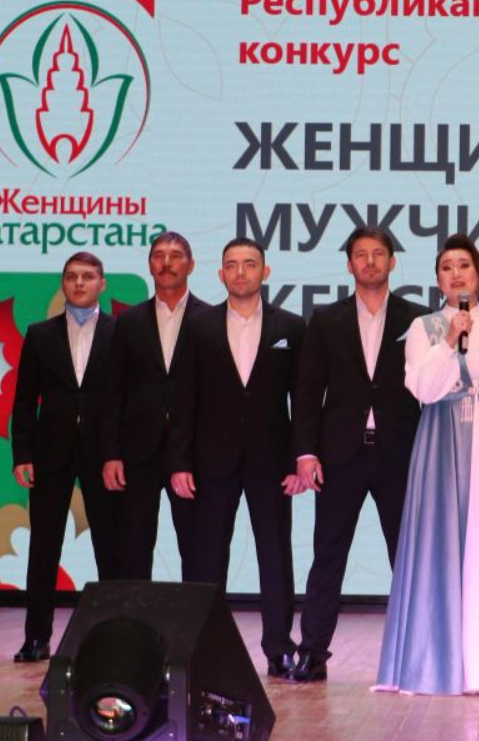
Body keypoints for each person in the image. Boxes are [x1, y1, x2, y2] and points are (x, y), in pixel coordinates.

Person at [374, 233, 479, 694]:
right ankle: (438, 662)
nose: (456, 274)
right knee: (442, 545)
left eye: (464, 266)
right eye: (447, 267)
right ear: (437, 280)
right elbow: (422, 388)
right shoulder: (424, 328)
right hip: (442, 443)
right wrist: (450, 339)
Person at [289, 226, 430, 682]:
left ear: (393, 262)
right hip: (339, 456)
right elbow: (307, 391)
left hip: (400, 454)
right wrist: (306, 453)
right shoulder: (325, 319)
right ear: (349, 265)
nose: (370, 261)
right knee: (328, 555)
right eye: (361, 255)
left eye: (378, 253)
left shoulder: (418, 319)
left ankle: (418, 653)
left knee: (407, 558)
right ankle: (312, 651)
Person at [168, 238, 304, 679]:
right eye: (232, 264)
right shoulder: (198, 326)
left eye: (249, 264)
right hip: (211, 461)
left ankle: (279, 647)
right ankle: (201, 650)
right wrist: (179, 462)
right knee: (206, 558)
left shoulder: (291, 326)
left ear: (266, 271)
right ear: (220, 273)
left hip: (272, 462)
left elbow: (301, 401)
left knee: (275, 555)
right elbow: (183, 399)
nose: (241, 272)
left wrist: (298, 460)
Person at [9, 251, 119, 662]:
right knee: (43, 547)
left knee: (110, 547)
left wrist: (120, 453)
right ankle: (36, 638)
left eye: (88, 276)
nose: (79, 283)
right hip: (50, 453)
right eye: (72, 276)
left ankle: (114, 636)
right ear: (63, 283)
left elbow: (126, 398)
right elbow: (24, 399)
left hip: (104, 454)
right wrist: (22, 453)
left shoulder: (120, 332)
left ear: (102, 284)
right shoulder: (40, 334)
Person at [100, 231, 206, 581]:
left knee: (196, 545)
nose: (166, 263)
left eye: (175, 255)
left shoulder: (210, 319)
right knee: (134, 545)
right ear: (149, 265)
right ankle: (135, 616)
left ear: (191, 265)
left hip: (192, 453)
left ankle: (195, 616)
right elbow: (113, 393)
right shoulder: (128, 321)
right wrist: (111, 454)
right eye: (158, 255)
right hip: (137, 453)